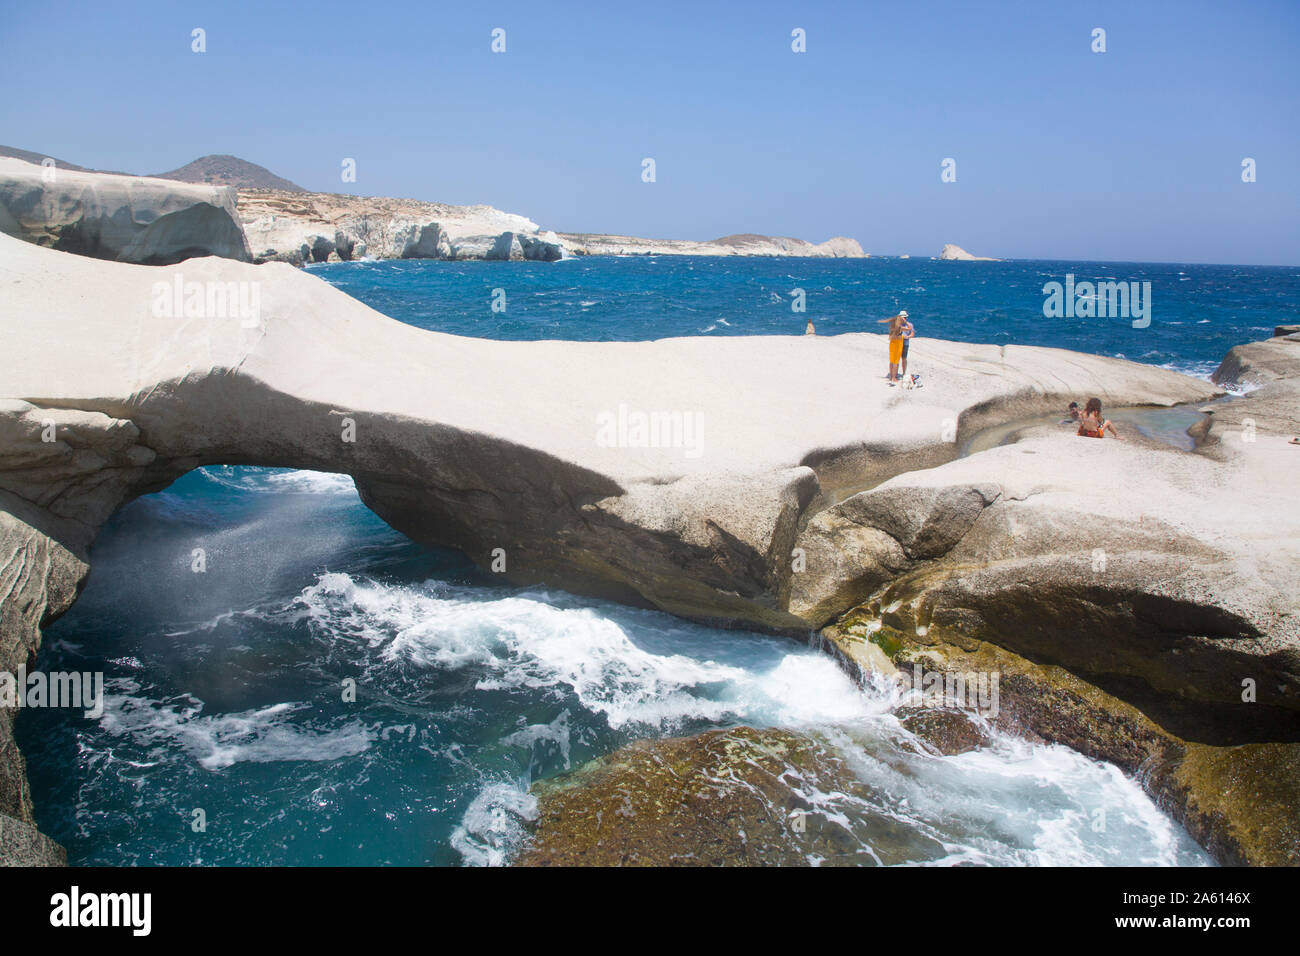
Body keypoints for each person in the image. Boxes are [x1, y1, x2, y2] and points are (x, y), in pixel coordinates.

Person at [878, 310, 910, 382]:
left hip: (892, 344)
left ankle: (891, 376)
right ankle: (894, 378)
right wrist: (905, 322)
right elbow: (909, 328)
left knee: (891, 361)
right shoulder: (900, 328)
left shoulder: (892, 327)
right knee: (896, 362)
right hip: (898, 345)